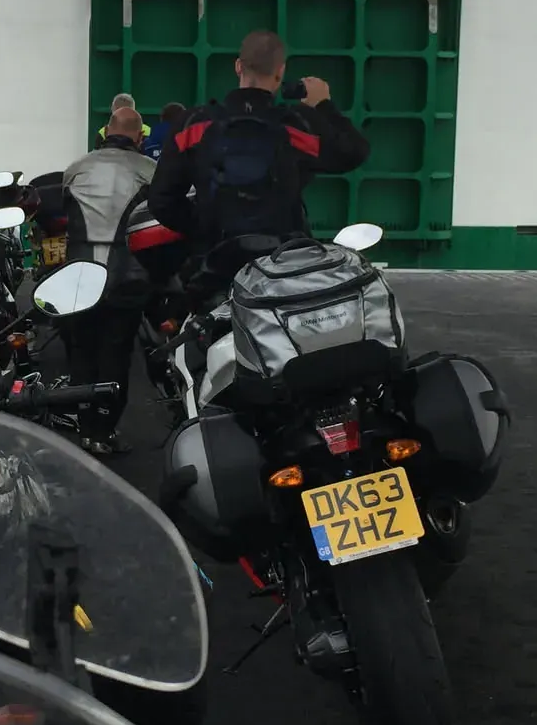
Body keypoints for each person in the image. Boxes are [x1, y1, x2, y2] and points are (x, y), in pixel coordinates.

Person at [148, 28, 368, 254]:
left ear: (238, 66)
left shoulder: (193, 125)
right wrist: (323, 105)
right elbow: (354, 152)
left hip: (214, 262)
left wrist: (205, 229)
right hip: (281, 264)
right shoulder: (298, 125)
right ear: (280, 72)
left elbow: (161, 201)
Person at [60, 107, 156, 456]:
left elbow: (61, 213)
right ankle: (105, 428)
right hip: (127, 275)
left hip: (79, 273)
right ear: (139, 137)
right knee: (116, 351)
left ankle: (85, 428)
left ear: (104, 132)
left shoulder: (77, 167)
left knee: (82, 349)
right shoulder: (149, 170)